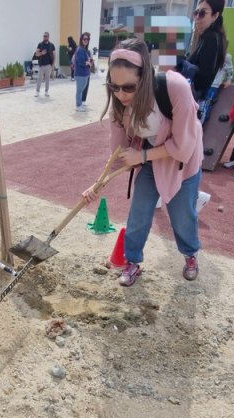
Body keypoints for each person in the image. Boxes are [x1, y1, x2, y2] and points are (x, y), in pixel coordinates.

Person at [84, 39, 203, 287]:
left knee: (182, 216)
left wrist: (142, 157)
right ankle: (132, 261)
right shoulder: (119, 106)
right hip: (148, 158)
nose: (120, 95)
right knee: (139, 212)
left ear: (145, 76)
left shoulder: (175, 88)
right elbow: (118, 154)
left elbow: (183, 148)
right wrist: (97, 185)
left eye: (128, 87)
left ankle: (190, 254)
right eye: (113, 86)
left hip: (181, 163)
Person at [178, 0, 227, 107]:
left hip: (189, 99)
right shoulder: (211, 36)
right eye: (196, 13)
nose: (197, 17)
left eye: (202, 13)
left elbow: (202, 79)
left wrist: (182, 64)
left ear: (215, 15)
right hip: (192, 99)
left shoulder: (211, 38)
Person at [73, 33, 92, 112]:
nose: (86, 40)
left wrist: (89, 62)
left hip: (84, 73)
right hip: (80, 74)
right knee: (79, 90)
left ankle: (80, 104)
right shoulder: (80, 49)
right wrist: (87, 63)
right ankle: (78, 105)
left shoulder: (84, 49)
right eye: (84, 39)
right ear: (81, 40)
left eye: (87, 39)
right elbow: (80, 62)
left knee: (80, 90)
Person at [34, 31, 55, 97]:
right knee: (39, 79)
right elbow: (36, 54)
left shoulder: (51, 45)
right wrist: (41, 53)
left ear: (48, 37)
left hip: (48, 65)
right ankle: (37, 92)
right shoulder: (40, 44)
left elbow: (54, 55)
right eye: (43, 36)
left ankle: (46, 91)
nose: (44, 37)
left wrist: (53, 65)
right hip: (41, 65)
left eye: (45, 36)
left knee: (47, 79)